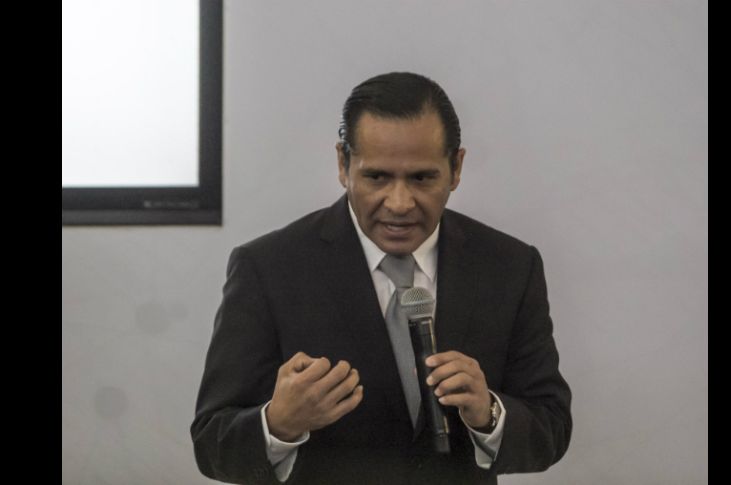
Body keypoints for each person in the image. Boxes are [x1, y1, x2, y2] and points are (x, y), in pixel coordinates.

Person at [191, 72, 572, 485]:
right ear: (343, 165)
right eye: (377, 177)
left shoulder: (510, 265)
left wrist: (490, 414)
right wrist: (279, 424)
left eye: (422, 178)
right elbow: (212, 445)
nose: (400, 203)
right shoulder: (268, 268)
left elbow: (551, 427)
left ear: (456, 168)